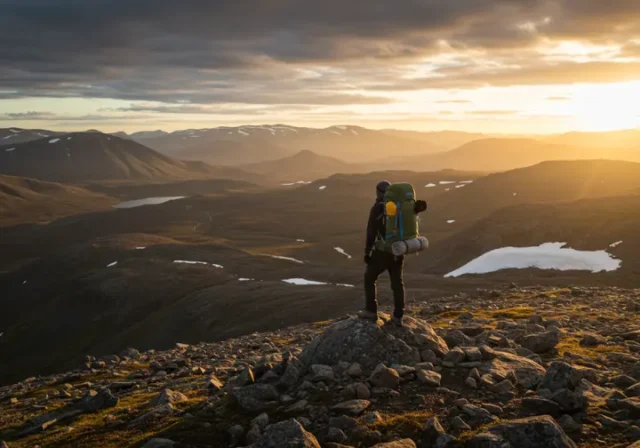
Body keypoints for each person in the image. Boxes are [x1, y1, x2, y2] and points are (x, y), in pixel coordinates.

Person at [360, 180, 405, 327]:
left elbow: (371, 232)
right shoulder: (400, 207)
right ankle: (398, 316)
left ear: (378, 192)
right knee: (397, 283)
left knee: (369, 278)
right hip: (399, 250)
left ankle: (371, 312)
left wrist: (367, 252)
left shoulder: (377, 208)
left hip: (383, 251)